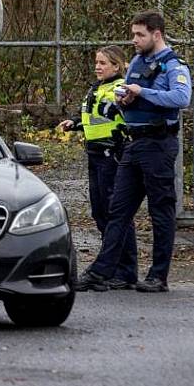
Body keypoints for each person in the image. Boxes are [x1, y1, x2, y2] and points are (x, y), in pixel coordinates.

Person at [77, 10, 192, 293]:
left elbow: (181, 98)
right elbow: (125, 95)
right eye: (133, 34)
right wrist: (126, 98)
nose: (134, 40)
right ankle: (103, 271)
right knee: (118, 210)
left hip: (158, 143)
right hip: (133, 143)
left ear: (157, 34)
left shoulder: (173, 65)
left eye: (140, 34)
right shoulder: (138, 62)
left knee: (160, 211)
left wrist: (142, 92)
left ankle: (158, 275)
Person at [57, 45, 138, 289]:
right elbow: (93, 116)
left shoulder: (119, 88)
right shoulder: (97, 88)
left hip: (111, 154)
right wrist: (74, 122)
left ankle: (125, 270)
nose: (98, 67)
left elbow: (118, 111)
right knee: (100, 213)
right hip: (94, 154)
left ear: (117, 66)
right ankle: (115, 267)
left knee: (116, 214)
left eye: (103, 63)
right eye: (96, 62)